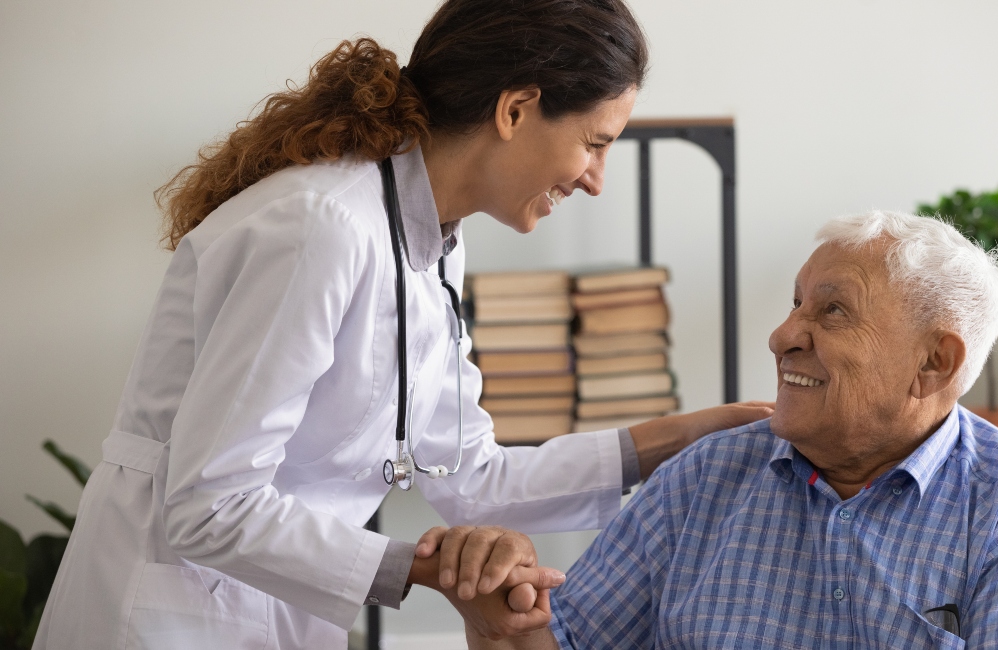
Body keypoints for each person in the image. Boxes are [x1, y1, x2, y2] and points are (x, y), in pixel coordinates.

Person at [32, 2, 772, 648]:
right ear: (515, 109)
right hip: (170, 612)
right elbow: (208, 506)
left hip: (271, 608)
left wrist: (688, 436)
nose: (595, 178)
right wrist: (427, 566)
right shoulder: (321, 227)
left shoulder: (429, 243)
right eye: (595, 141)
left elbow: (471, 477)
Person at [459, 211, 998, 649]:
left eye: (832, 311)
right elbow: (568, 642)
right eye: (796, 304)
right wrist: (503, 628)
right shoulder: (703, 477)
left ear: (933, 363)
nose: (783, 336)